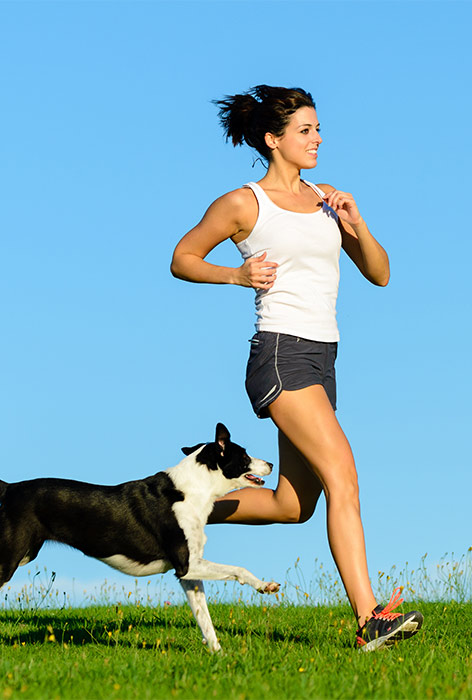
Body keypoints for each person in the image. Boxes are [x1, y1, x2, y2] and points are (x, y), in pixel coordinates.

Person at [170, 85, 423, 651]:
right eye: (306, 130)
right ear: (273, 139)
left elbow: (379, 273)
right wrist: (236, 276)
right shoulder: (244, 204)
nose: (318, 139)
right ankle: (369, 620)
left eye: (317, 129)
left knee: (293, 505)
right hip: (281, 355)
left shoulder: (327, 200)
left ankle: (179, 509)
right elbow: (182, 258)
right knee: (344, 476)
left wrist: (356, 222)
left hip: (323, 357)